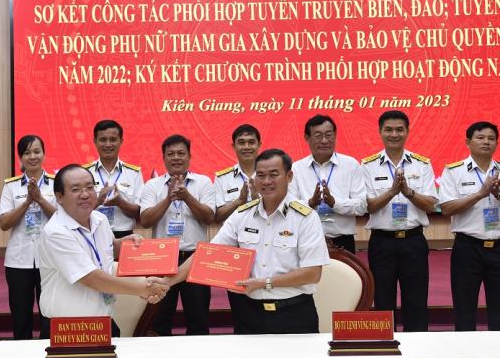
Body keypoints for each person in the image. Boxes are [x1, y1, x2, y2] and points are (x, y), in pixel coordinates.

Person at [167, 149, 330, 334]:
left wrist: (264, 283)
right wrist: (167, 282)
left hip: (294, 314)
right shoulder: (242, 214)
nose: (266, 181)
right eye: (260, 175)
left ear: (289, 176)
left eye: (273, 175)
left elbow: (312, 273)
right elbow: (207, 253)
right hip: (249, 314)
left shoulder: (305, 217)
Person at [38, 165, 168, 333]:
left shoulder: (100, 219)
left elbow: (105, 251)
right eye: (76, 189)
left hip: (104, 320)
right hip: (68, 328)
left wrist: (123, 245)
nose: (85, 194)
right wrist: (143, 288)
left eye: (90, 187)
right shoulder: (56, 232)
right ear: (59, 197)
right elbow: (91, 278)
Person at [439, 121, 500, 331]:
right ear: (468, 142)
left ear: (497, 143)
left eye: (491, 138)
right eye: (480, 137)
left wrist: (499, 193)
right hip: (467, 249)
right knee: (464, 309)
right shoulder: (454, 172)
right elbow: (447, 208)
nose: (486, 142)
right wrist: (481, 193)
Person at [361, 111, 437, 332]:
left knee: (416, 301)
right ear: (380, 132)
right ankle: (386, 346)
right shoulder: (367, 166)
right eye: (389, 130)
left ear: (407, 131)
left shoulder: (422, 164)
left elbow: (430, 205)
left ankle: (418, 348)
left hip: (413, 241)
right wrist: (392, 192)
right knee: (383, 300)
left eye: (399, 130)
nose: (394, 134)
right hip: (382, 243)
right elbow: (367, 206)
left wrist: (408, 192)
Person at [139, 134, 215, 335]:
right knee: (159, 319)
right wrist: (168, 199)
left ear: (189, 156)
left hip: (195, 259)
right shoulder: (152, 185)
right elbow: (145, 221)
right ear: (163, 158)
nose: (176, 158)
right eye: (170, 154)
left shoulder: (203, 182)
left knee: (198, 320)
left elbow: (209, 217)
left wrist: (187, 197)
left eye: (181, 153)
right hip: (162, 259)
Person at [0, 135, 57, 340]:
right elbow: (4, 223)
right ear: (20, 157)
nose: (33, 156)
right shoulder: (11, 186)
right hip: (18, 260)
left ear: (44, 154)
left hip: (49, 259)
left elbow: (63, 219)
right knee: (20, 313)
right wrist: (26, 203)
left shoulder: (56, 184)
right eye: (27, 152)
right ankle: (21, 352)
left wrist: (40, 199)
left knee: (49, 312)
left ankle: (48, 350)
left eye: (37, 151)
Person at [290, 114, 366, 253]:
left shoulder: (351, 165)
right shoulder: (296, 169)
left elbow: (362, 206)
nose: (324, 140)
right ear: (307, 138)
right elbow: (290, 207)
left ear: (335, 135)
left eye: (329, 135)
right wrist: (310, 203)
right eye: (318, 136)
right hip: (307, 241)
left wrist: (334, 203)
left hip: (342, 242)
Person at [83, 119, 144, 239]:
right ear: (95, 141)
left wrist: (120, 203)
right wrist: (98, 201)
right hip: (92, 234)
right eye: (103, 140)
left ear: (121, 141)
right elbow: (77, 211)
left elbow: (139, 213)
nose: (108, 144)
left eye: (113, 139)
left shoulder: (134, 173)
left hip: (124, 235)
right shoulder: (84, 173)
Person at [214, 124, 261, 224]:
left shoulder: (270, 176)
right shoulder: (223, 178)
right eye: (241, 143)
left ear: (259, 145)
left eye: (251, 142)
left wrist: (259, 200)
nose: (246, 147)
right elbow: (217, 216)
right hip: (233, 233)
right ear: (233, 146)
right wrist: (238, 201)